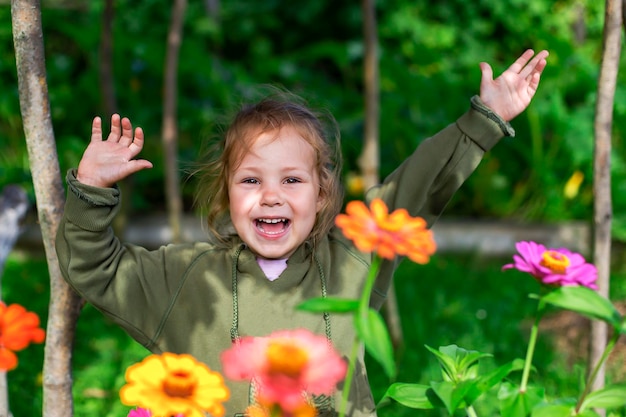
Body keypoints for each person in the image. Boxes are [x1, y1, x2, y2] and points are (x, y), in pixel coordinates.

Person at [56, 49, 549, 416]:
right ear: (227, 193)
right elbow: (97, 269)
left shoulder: (352, 259)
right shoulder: (185, 280)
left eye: (291, 180)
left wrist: (482, 122)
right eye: (251, 180)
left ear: (321, 194)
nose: (271, 196)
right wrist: (92, 190)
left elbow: (413, 191)